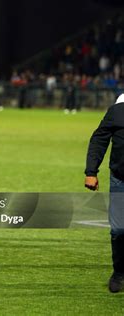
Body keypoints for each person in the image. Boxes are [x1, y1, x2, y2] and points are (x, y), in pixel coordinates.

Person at [85, 93, 124, 293]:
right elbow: (99, 140)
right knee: (118, 230)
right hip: (120, 178)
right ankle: (119, 272)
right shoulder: (117, 110)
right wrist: (91, 172)